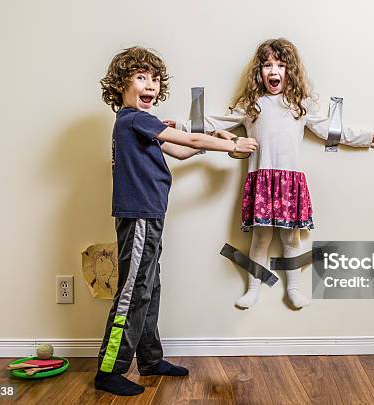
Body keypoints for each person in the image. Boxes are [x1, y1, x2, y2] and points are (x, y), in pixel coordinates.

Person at [95, 46, 257, 396]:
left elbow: (183, 149)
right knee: (132, 292)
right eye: (141, 77)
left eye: (154, 79)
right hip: (138, 216)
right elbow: (189, 138)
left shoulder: (141, 124)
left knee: (148, 288)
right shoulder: (133, 118)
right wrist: (228, 140)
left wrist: (222, 142)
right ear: (121, 84)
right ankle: (109, 370)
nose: (149, 85)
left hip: (151, 215)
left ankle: (151, 359)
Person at [177, 38, 374, 309]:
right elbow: (215, 122)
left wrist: (365, 137)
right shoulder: (251, 105)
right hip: (261, 179)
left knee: (291, 238)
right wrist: (180, 126)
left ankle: (294, 290)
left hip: (289, 181)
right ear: (259, 71)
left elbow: (329, 130)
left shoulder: (300, 105)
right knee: (260, 238)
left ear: (291, 71)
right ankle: (252, 289)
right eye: (267, 65)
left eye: (281, 65)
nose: (273, 71)